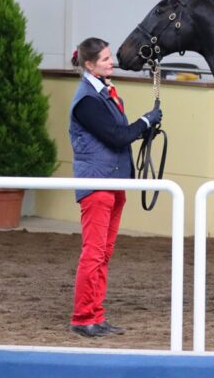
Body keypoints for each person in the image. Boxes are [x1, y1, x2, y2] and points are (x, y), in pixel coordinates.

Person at [68, 37, 162, 337]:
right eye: (106, 59)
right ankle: (83, 317)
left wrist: (143, 129)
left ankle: (95, 314)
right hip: (98, 185)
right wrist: (145, 121)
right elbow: (116, 136)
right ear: (89, 65)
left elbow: (118, 134)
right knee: (94, 253)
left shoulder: (102, 94)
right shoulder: (87, 101)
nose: (112, 62)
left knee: (103, 253)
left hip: (111, 182)